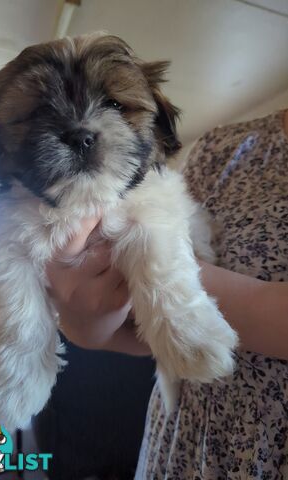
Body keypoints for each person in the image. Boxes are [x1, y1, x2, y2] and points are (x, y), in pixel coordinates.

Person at [45, 109, 288, 478]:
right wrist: (87, 326)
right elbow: (152, 336)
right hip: (179, 440)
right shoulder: (221, 146)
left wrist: (148, 263)